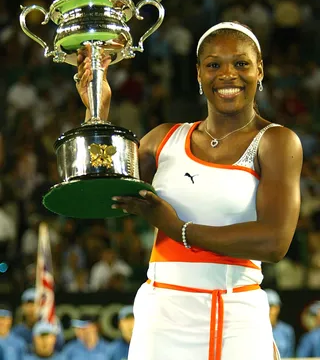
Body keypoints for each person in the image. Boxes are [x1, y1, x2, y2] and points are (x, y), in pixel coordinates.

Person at [75, 21, 303, 360]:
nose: (228, 74)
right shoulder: (163, 139)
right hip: (162, 313)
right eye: (214, 64)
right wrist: (98, 111)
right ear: (198, 74)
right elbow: (103, 193)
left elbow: (274, 242)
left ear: (260, 70)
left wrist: (176, 229)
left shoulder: (276, 141)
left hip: (236, 311)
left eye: (241, 63)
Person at [265, 289, 295, 358]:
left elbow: (290, 355)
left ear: (277, 308)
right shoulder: (254, 329)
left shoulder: (287, 330)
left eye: (271, 306)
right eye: (265, 306)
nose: (268, 310)